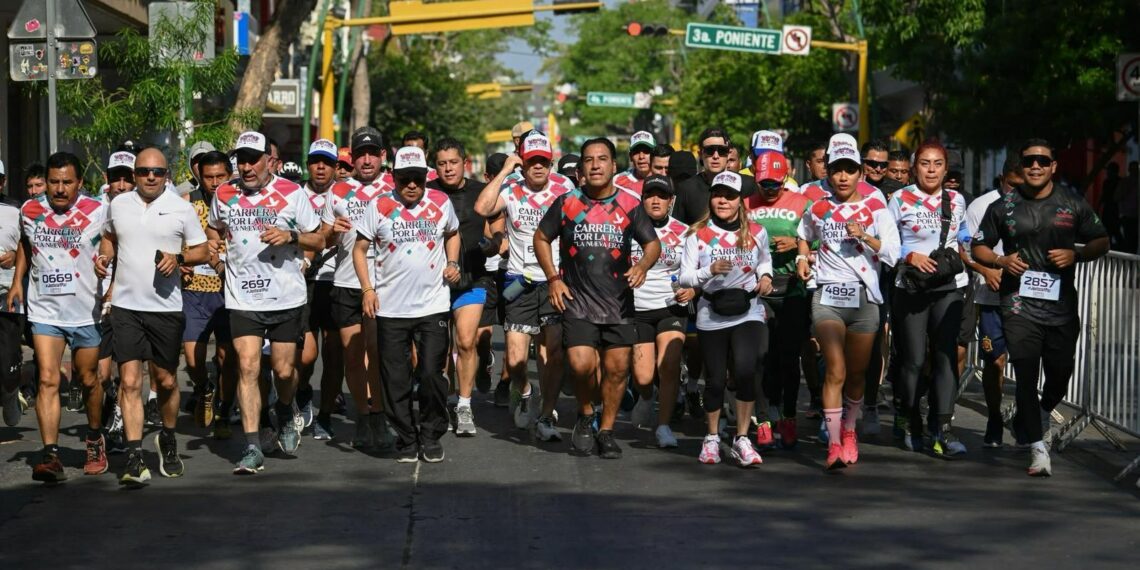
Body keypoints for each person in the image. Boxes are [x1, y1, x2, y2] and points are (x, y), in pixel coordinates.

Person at [972, 138, 1109, 477]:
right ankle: (1037, 449)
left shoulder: (1071, 202)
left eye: (1042, 161)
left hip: (1061, 305)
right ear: (1021, 166)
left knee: (1061, 373)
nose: (1035, 166)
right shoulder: (1003, 206)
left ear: (1053, 167)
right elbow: (979, 247)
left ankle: (1040, 411)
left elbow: (1102, 240)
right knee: (1026, 374)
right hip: (1018, 305)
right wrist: (1001, 259)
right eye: (1029, 160)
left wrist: (1076, 254)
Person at [206, 131, 324, 475]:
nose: (245, 166)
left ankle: (285, 409)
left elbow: (318, 238)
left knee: (285, 371)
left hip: (285, 294)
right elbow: (214, 230)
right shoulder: (224, 193)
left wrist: (292, 236)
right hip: (242, 296)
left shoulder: (292, 193)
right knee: (247, 366)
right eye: (240, 160)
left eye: (252, 159)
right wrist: (217, 260)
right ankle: (253, 446)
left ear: (267, 161)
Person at [535, 137, 660, 459]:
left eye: (602, 159)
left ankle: (605, 430)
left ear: (613, 166)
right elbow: (541, 237)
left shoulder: (631, 204)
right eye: (589, 160)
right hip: (577, 301)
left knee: (618, 371)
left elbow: (653, 245)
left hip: (618, 304)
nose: (595, 165)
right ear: (581, 168)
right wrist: (553, 278)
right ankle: (586, 411)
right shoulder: (567, 203)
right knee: (580, 365)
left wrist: (643, 266)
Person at [96, 148, 208, 486]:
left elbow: (201, 249)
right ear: (133, 174)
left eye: (157, 172)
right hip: (127, 307)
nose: (149, 177)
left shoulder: (181, 208)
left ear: (166, 176)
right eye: (142, 171)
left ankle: (168, 437)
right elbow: (109, 237)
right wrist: (103, 257)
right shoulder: (118, 205)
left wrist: (179, 256)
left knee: (167, 381)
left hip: (165, 308)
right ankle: (134, 457)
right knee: (129, 382)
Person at [795, 138, 900, 470]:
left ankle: (850, 430)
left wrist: (865, 236)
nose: (843, 177)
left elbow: (893, 254)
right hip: (827, 297)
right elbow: (804, 231)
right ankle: (834, 440)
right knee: (835, 369)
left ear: (860, 174)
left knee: (856, 374)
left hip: (864, 298)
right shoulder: (821, 207)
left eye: (850, 170)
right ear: (829, 171)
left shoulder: (876, 207)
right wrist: (801, 255)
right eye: (837, 170)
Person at [353, 146, 460, 463]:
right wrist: (367, 289)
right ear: (394, 178)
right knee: (395, 380)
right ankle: (406, 437)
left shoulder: (440, 202)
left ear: (426, 177)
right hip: (391, 308)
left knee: (430, 373)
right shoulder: (380, 206)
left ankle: (430, 434)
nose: (411, 185)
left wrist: (452, 262)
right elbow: (360, 249)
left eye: (417, 178)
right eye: (404, 179)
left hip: (433, 305)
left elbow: (452, 234)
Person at [8, 152, 109, 482]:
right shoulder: (30, 210)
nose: (60, 189)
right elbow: (26, 242)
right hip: (45, 309)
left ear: (79, 182)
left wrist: (107, 261)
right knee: (48, 378)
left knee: (88, 378)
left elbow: (113, 241)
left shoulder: (98, 209)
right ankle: (50, 454)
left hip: (87, 311)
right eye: (54, 182)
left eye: (67, 182)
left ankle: (94, 437)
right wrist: (16, 283)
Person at [473, 133, 568, 439]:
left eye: (543, 161)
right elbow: (481, 208)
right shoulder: (511, 188)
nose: (537, 167)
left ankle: (546, 415)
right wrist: (504, 172)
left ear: (551, 163)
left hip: (554, 280)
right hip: (518, 280)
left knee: (553, 351)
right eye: (531, 162)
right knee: (515, 360)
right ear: (522, 163)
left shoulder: (565, 189)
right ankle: (525, 392)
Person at [678, 170, 772, 466]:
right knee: (716, 380)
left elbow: (765, 258)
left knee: (746, 370)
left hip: (748, 311)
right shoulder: (697, 233)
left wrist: (765, 275)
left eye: (729, 196)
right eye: (718, 195)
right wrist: (709, 270)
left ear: (739, 201)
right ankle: (711, 437)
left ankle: (742, 438)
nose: (722, 201)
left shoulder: (756, 231)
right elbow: (685, 277)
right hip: (711, 312)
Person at [888, 141, 970, 458]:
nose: (932, 169)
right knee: (914, 360)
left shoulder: (957, 200)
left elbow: (962, 236)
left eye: (938, 164)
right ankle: (911, 421)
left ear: (946, 169)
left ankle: (944, 428)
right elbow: (886, 245)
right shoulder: (899, 199)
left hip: (948, 287)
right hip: (910, 287)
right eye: (925, 163)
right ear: (914, 167)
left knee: (946, 356)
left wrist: (969, 246)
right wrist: (910, 255)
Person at [321, 126, 395, 449]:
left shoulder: (395, 188)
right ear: (351, 158)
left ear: (383, 156)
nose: (366, 160)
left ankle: (380, 415)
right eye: (359, 154)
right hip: (346, 283)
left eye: (372, 153)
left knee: (377, 355)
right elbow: (323, 237)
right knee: (353, 358)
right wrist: (332, 233)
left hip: (384, 286)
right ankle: (364, 418)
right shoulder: (337, 192)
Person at [427, 137, 496, 436]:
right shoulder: (427, 193)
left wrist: (489, 245)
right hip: (433, 284)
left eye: (453, 162)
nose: (448, 168)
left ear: (465, 163)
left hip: (473, 279)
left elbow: (497, 235)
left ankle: (465, 405)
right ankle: (447, 396)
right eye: (441, 164)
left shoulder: (481, 193)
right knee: (438, 352)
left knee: (466, 341)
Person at [745, 151, 812, 449]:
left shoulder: (802, 203)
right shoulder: (746, 203)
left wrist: (798, 246)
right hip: (759, 288)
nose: (769, 190)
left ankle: (788, 415)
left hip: (793, 287)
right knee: (761, 356)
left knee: (788, 357)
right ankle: (763, 419)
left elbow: (823, 239)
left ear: (786, 178)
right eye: (763, 184)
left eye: (774, 184)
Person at [962, 157, 1024, 447]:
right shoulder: (981, 206)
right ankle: (994, 418)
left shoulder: (1041, 206)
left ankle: (1027, 417)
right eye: (1012, 185)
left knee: (1027, 360)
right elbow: (968, 249)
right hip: (991, 298)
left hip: (1029, 299)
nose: (1017, 192)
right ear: (1002, 179)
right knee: (994, 361)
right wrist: (988, 270)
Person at [627, 174, 691, 448]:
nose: (656, 200)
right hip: (637, 308)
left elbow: (694, 272)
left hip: (670, 308)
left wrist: (693, 290)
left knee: (669, 365)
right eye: (650, 195)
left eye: (662, 196)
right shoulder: (628, 226)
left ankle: (663, 426)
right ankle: (645, 395)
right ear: (642, 200)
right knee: (642, 376)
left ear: (671, 201)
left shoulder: (684, 232)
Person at [180, 151, 237, 440]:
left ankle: (225, 410)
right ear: (198, 176)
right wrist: (182, 263)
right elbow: (173, 238)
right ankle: (204, 388)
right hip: (196, 292)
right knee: (192, 359)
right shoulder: (186, 203)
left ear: (230, 175)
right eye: (208, 177)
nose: (214, 183)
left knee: (228, 358)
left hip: (231, 292)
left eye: (220, 177)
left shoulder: (241, 201)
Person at [297, 140, 343, 440]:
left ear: (336, 167)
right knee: (305, 356)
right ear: (308, 165)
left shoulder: (346, 195)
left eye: (327, 162)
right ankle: (302, 401)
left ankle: (325, 414)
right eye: (315, 161)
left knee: (335, 352)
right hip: (303, 282)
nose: (321, 167)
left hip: (340, 280)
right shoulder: (294, 195)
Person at [671, 128, 760, 225]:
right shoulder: (686, 189)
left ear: (728, 154)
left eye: (722, 150)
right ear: (700, 154)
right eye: (709, 150)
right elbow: (677, 231)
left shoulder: (748, 184)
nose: (716, 156)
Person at [0, 177, 22, 427]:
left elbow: (27, 245)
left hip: (6, 292)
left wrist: (16, 254)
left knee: (7, 361)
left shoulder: (16, 209)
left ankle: (10, 392)